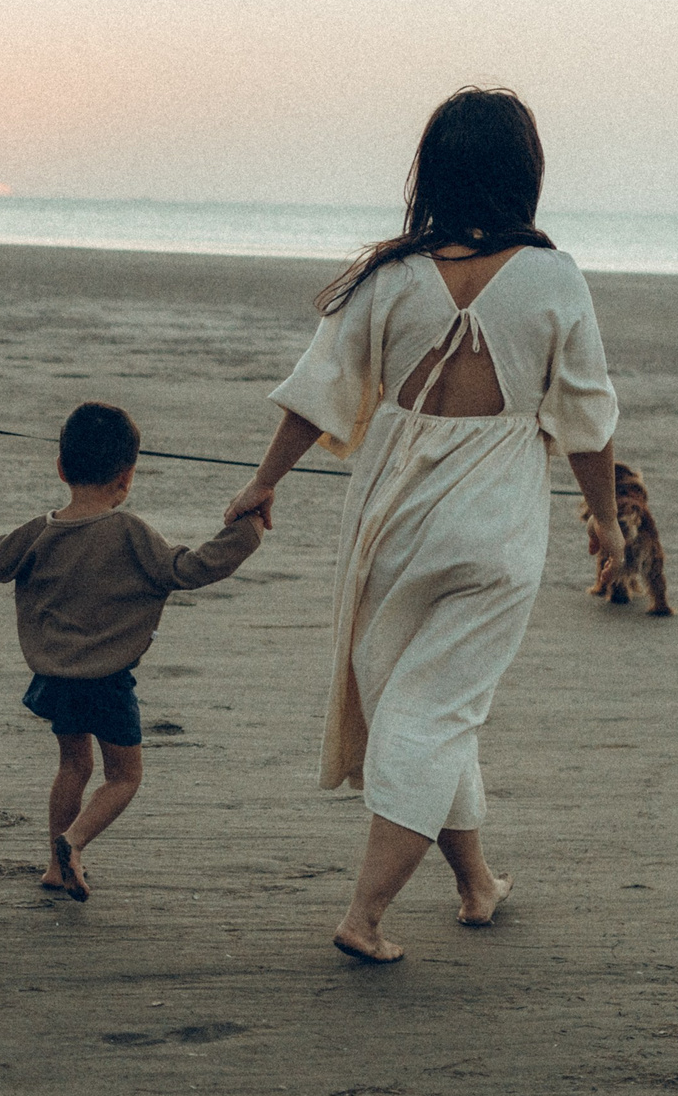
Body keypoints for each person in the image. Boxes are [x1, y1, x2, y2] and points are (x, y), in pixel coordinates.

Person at [223, 87, 623, 963]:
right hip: (496, 520)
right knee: (437, 707)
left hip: (391, 516)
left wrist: (262, 483)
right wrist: (605, 522)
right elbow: (588, 421)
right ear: (526, 174)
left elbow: (318, 389)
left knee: (425, 700)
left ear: (434, 169)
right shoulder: (555, 279)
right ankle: (373, 913)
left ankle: (472, 882)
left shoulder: (390, 276)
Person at [0, 403, 261, 901]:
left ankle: (55, 868)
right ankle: (73, 843)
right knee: (123, 777)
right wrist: (247, 528)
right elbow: (190, 569)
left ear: (61, 468)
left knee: (74, 767)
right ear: (127, 476)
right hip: (107, 681)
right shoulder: (131, 532)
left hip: (56, 678)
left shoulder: (40, 532)